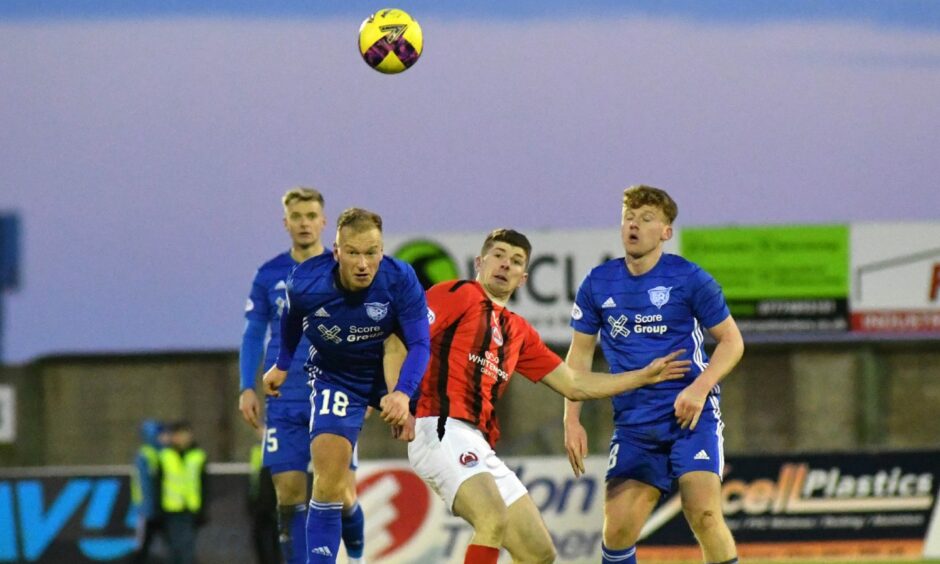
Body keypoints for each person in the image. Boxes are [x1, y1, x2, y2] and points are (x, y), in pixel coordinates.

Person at [386, 228, 691, 564]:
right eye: (498, 255)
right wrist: (400, 398)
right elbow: (398, 340)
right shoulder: (458, 294)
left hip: (477, 441)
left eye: (516, 261)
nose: (505, 264)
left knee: (538, 552)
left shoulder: (518, 331)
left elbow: (573, 383)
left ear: (523, 278)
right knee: (492, 518)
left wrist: (643, 376)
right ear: (479, 262)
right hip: (439, 427)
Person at [563, 185, 745, 564]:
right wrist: (571, 420)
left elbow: (732, 342)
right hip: (635, 424)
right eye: (628, 218)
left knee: (704, 514)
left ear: (666, 232)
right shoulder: (598, 283)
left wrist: (699, 388)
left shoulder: (690, 278)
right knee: (617, 532)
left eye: (646, 219)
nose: (634, 225)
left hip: (690, 417)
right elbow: (579, 356)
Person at [262, 207, 431, 564]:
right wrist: (282, 364)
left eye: (372, 252)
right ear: (336, 251)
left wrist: (403, 394)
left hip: (389, 369)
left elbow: (419, 344)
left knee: (440, 443)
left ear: (382, 251)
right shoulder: (306, 282)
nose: (363, 264)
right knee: (330, 483)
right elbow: (291, 320)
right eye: (353, 252)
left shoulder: (400, 278)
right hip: (336, 377)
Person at [238, 187, 367, 564]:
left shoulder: (342, 269)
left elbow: (367, 328)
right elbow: (253, 333)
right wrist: (246, 387)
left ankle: (356, 551)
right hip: (284, 396)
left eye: (311, 216)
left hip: (334, 390)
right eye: (297, 217)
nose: (304, 223)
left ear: (324, 222)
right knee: (288, 495)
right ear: (286, 223)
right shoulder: (269, 274)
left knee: (341, 494)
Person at [156, 420, 208, 564]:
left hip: (191, 508)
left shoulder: (198, 456)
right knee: (175, 549)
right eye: (178, 434)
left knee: (186, 548)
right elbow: (158, 485)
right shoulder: (165, 456)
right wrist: (158, 510)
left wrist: (203, 509)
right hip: (171, 509)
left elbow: (204, 484)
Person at [130, 419, 166, 563]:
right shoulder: (147, 454)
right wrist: (147, 506)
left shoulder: (160, 453)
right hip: (148, 507)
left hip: (159, 507)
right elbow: (145, 483)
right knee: (143, 543)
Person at [248, 429, 282, 564]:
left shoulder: (281, 450)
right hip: (259, 507)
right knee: (260, 543)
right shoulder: (256, 451)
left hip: (275, 507)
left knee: (275, 544)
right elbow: (254, 480)